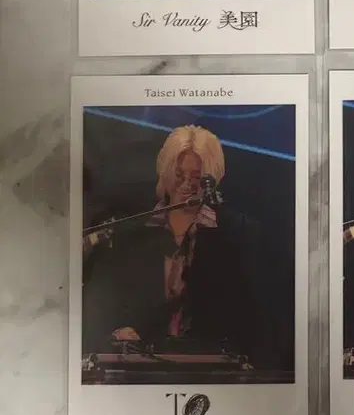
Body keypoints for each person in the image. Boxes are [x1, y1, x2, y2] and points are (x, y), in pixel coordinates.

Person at [82, 125, 259, 363]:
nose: (187, 184)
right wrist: (116, 333)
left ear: (212, 178)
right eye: (179, 175)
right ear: (165, 173)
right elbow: (104, 308)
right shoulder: (129, 234)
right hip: (139, 366)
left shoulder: (235, 235)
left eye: (197, 177)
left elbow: (248, 314)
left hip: (209, 365)